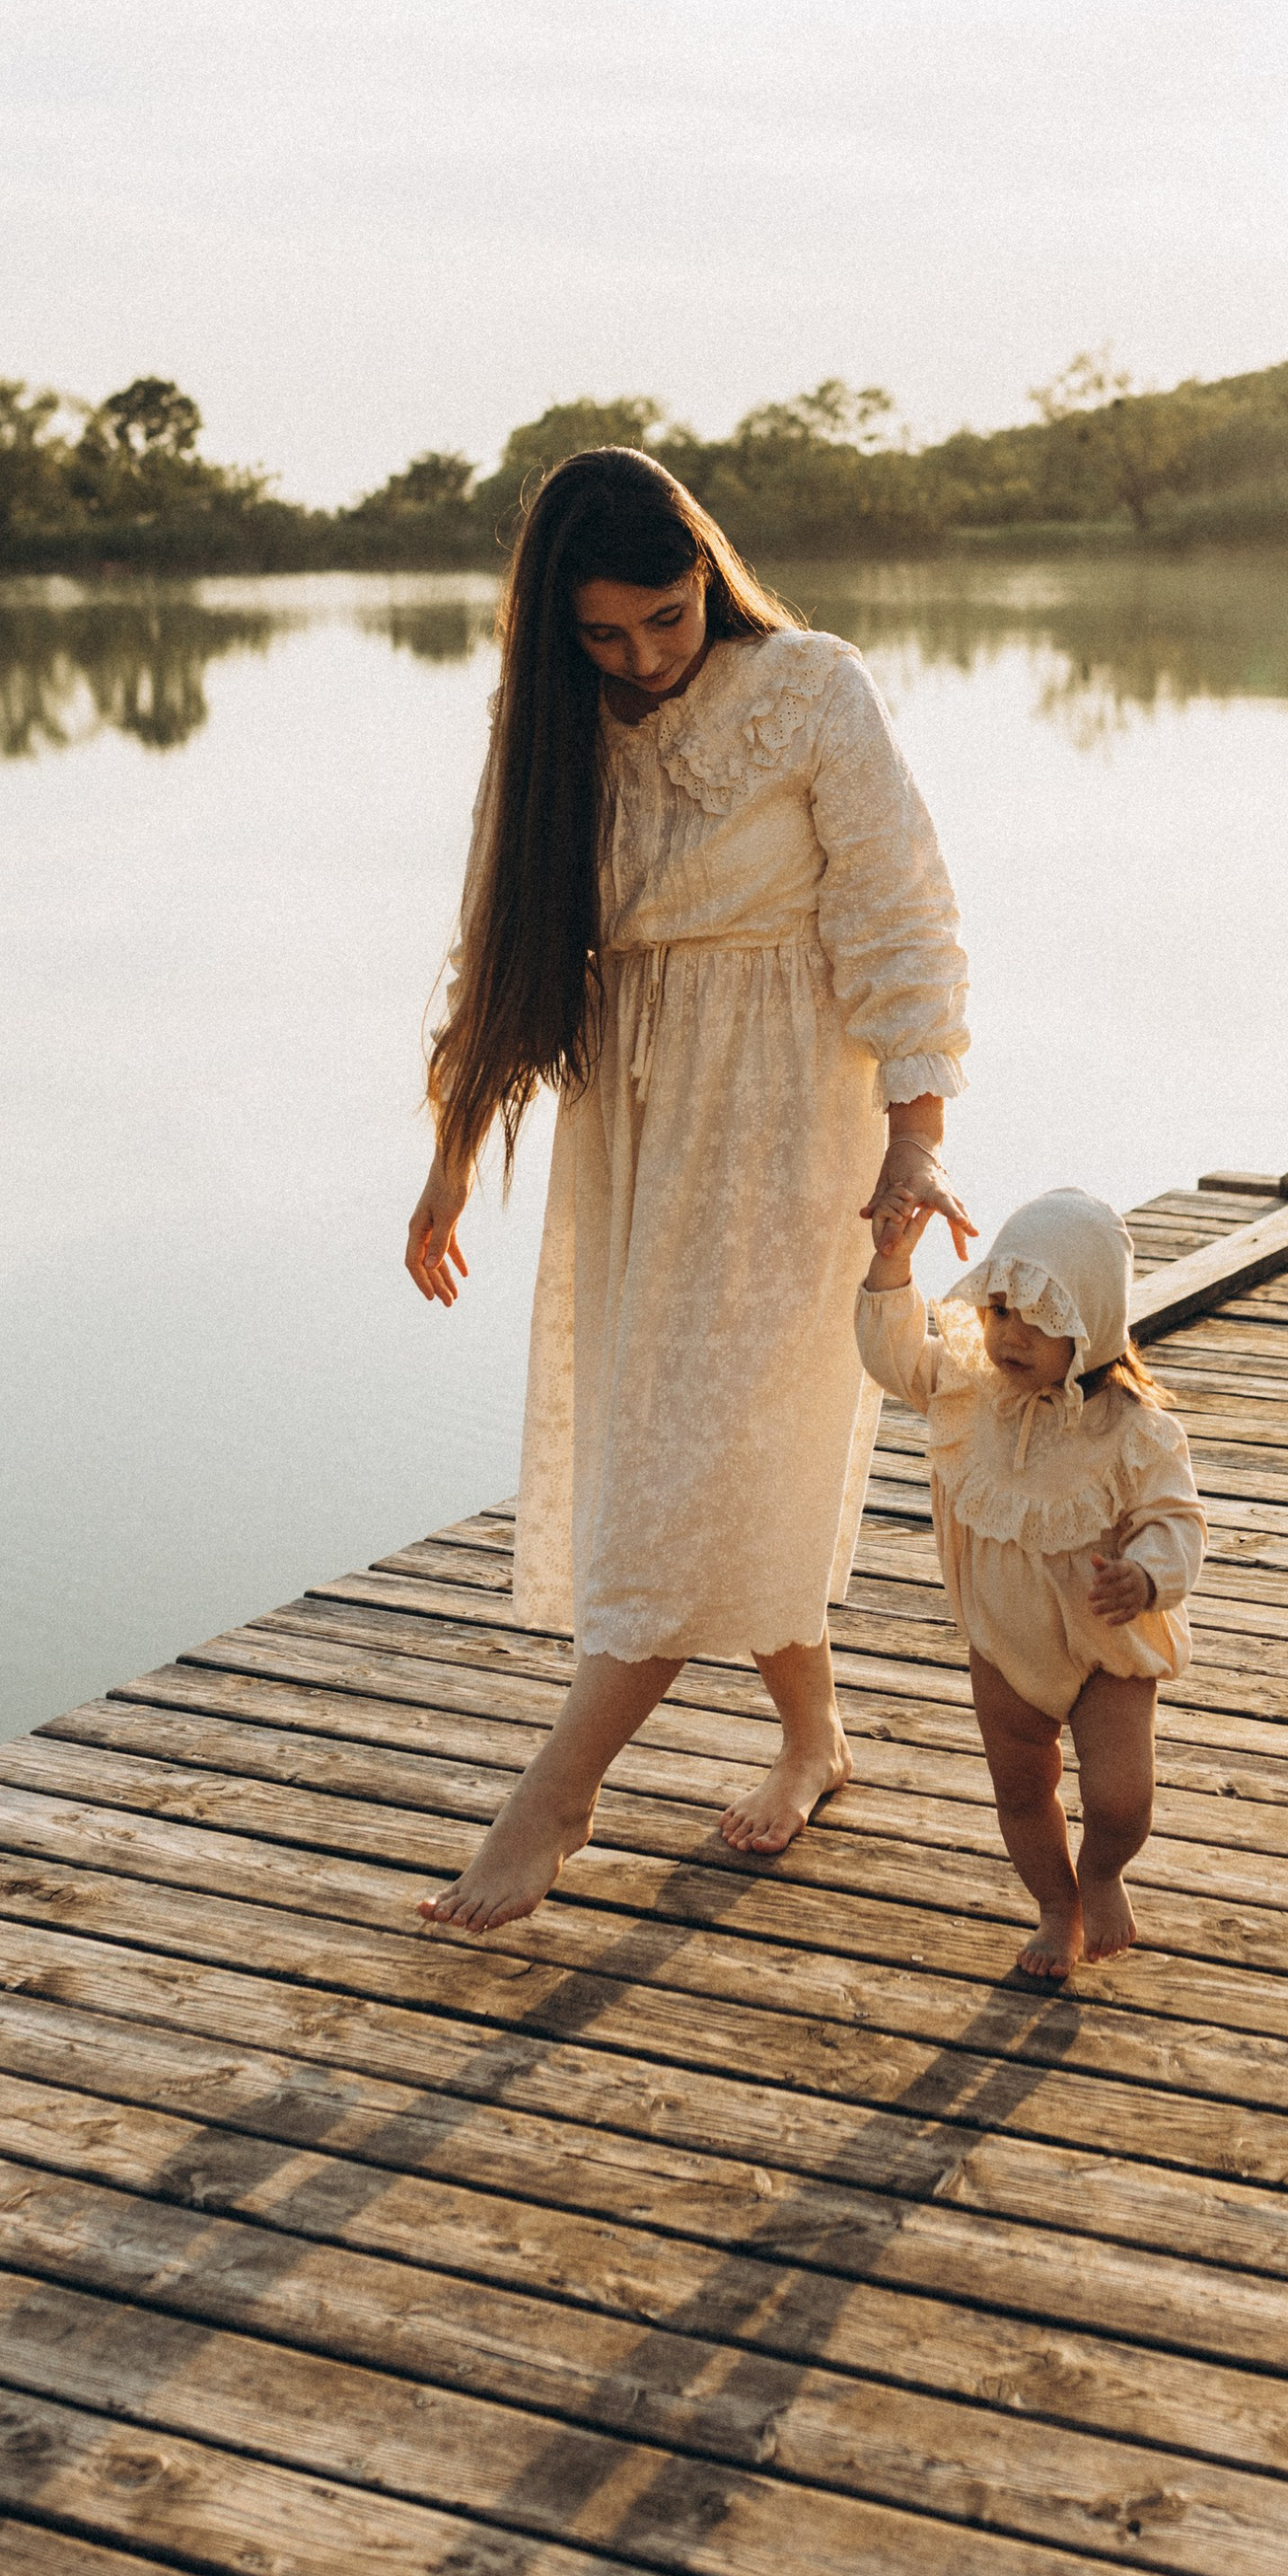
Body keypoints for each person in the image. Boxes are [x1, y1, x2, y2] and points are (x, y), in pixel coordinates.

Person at [406, 446, 971, 1932]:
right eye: (604, 633)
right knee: (698, 1445)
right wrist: (450, 1161)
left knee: (696, 1458)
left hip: (790, 1113)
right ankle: (815, 1738)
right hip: (635, 1117)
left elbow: (903, 916)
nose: (646, 656)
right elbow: (497, 951)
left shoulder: (811, 689)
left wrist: (915, 1138)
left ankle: (554, 1795)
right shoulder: (548, 727)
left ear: (707, 575)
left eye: (668, 616)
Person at [857, 1184, 1206, 1976]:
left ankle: (1103, 1872)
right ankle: (1056, 1907)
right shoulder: (968, 1387)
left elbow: (1177, 1521)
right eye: (1000, 1309)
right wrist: (892, 1267)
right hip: (1004, 1644)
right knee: (1020, 1788)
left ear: (1091, 1324)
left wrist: (1148, 1575)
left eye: (1039, 1318)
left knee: (1121, 1798)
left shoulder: (1134, 1430)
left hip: (1106, 1643)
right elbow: (893, 1356)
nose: (1010, 1334)